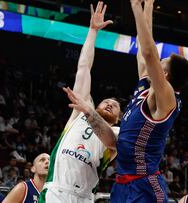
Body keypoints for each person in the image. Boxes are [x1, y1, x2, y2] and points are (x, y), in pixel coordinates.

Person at [110, 0, 188, 202]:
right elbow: (143, 44)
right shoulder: (146, 87)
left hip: (144, 184)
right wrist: (148, 6)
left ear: (164, 74)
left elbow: (149, 52)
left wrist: (135, 8)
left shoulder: (167, 98)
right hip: (123, 182)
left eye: (161, 62)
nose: (157, 60)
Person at [39, 2, 120, 203]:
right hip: (56, 192)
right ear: (95, 105)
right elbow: (84, 67)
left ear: (118, 118)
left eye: (115, 105)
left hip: (83, 198)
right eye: (105, 101)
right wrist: (93, 31)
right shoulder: (80, 113)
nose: (109, 104)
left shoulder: (116, 133)